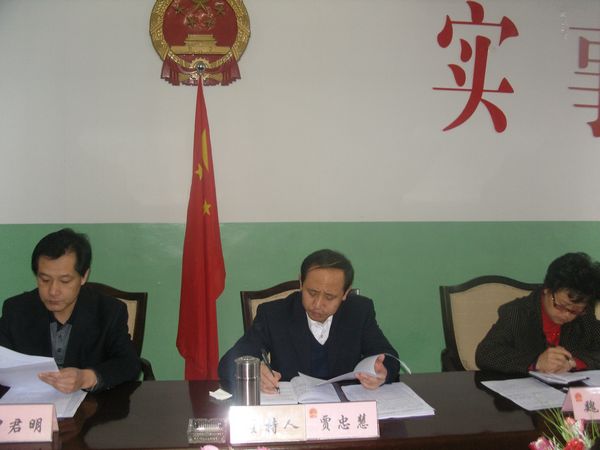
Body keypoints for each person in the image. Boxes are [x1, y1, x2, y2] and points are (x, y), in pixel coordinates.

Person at [218, 249, 400, 393]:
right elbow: (230, 361)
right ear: (301, 283)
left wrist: (382, 372)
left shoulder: (359, 311)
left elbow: (387, 356)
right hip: (294, 412)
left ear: (345, 293)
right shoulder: (274, 314)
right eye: (311, 293)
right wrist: (253, 370)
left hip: (344, 409)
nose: (318, 304)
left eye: (329, 297)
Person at [0, 228, 140, 393]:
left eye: (65, 281)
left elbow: (129, 364)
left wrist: (86, 377)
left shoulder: (109, 311)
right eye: (45, 279)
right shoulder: (16, 310)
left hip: (92, 405)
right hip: (30, 402)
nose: (53, 291)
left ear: (84, 276)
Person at [475, 252, 600, 374]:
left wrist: (573, 362)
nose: (567, 315)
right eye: (561, 306)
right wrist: (536, 362)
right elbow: (486, 354)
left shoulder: (584, 315)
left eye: (575, 311)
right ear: (547, 289)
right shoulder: (517, 313)